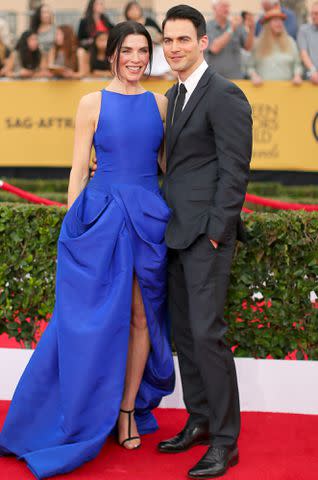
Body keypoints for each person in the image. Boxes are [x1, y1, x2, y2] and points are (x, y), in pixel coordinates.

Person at [0, 20, 174, 479]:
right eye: (128, 50)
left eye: (143, 50)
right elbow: (79, 169)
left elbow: (163, 165)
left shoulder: (160, 103)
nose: (136, 58)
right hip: (102, 216)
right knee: (90, 320)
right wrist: (75, 227)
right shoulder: (91, 102)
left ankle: (126, 411)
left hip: (148, 217)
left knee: (141, 316)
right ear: (112, 53)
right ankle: (76, 409)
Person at [158, 5, 252, 479]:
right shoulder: (173, 96)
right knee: (185, 337)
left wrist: (218, 233)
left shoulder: (224, 94)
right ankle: (198, 420)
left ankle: (224, 441)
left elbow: (235, 170)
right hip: (175, 233)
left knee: (206, 335)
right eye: (167, 40)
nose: (174, 48)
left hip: (205, 238)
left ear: (202, 41)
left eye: (182, 39)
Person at [248, 7, 302, 85]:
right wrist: (254, 76)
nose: (279, 23)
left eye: (281, 21)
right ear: (267, 24)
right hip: (263, 91)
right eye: (276, 20)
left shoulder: (290, 42)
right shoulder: (258, 43)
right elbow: (250, 66)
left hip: (287, 91)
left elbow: (297, 64)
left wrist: (297, 76)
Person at [205, 0, 255, 79]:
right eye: (223, 6)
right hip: (214, 80)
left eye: (228, 6)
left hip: (235, 78)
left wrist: (252, 28)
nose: (227, 9)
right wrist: (231, 29)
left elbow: (248, 47)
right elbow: (214, 48)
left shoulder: (236, 25)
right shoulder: (207, 27)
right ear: (214, 8)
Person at [297, 1, 318, 85]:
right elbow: (303, 54)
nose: (313, 16)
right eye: (312, 13)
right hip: (311, 79)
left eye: (316, 13)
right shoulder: (304, 30)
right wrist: (313, 72)